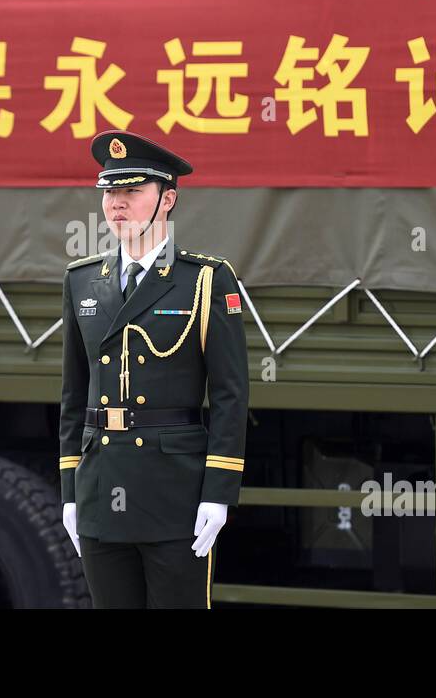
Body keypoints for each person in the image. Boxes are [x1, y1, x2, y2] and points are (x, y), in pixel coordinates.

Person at [57, 129, 249, 608]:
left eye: (131, 191)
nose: (116, 204)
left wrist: (218, 492)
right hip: (101, 487)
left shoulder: (204, 280)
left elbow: (229, 395)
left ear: (167, 199)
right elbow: (73, 396)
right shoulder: (82, 281)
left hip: (174, 493)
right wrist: (68, 490)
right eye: (110, 191)